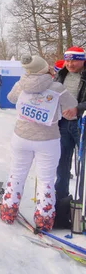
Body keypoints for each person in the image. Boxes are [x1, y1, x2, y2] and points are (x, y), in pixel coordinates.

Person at [0, 55, 77, 231]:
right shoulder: (57, 87)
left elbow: (11, 98)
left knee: (17, 174)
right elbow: (72, 105)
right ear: (44, 68)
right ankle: (44, 219)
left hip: (21, 137)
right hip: (48, 139)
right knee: (46, 180)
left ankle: (8, 212)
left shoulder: (21, 84)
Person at [53, 46, 86, 201]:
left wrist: (78, 109)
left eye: (74, 61)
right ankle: (60, 199)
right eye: (67, 60)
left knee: (83, 165)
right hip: (63, 124)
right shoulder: (60, 74)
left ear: (82, 60)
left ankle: (82, 202)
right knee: (62, 161)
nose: (70, 64)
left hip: (82, 125)